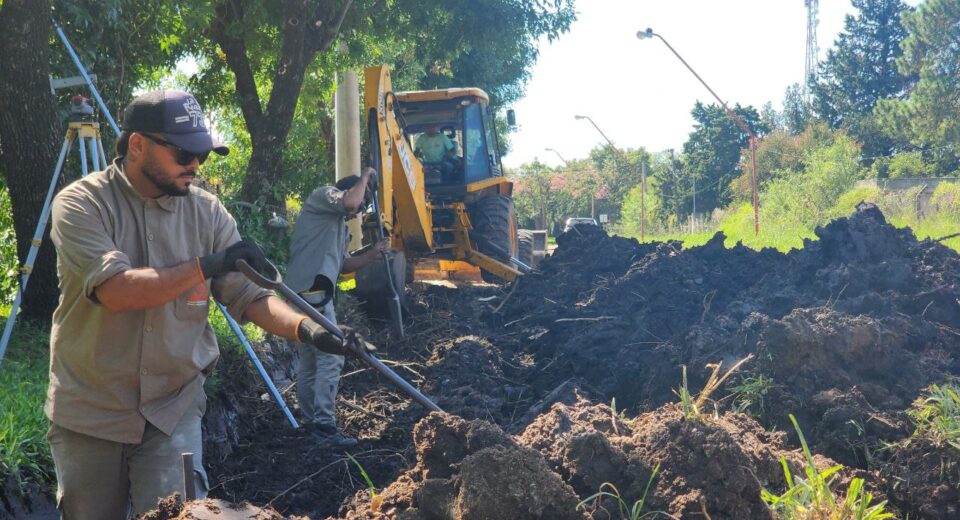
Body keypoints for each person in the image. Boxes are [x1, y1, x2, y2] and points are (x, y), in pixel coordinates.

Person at [46, 89, 356, 519]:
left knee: (182, 514)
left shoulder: (208, 213)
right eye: (184, 153)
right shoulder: (82, 203)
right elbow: (118, 291)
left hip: (172, 409)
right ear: (137, 145)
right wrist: (207, 265)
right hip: (91, 412)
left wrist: (312, 331)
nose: (195, 164)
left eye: (203, 155)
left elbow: (251, 297)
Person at [286, 167, 390, 447]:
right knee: (331, 358)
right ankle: (324, 426)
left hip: (308, 293)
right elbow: (350, 202)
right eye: (363, 201)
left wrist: (372, 255)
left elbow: (343, 265)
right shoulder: (324, 196)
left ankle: (311, 422)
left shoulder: (338, 226)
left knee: (311, 361)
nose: (359, 211)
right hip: (311, 292)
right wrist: (366, 176)